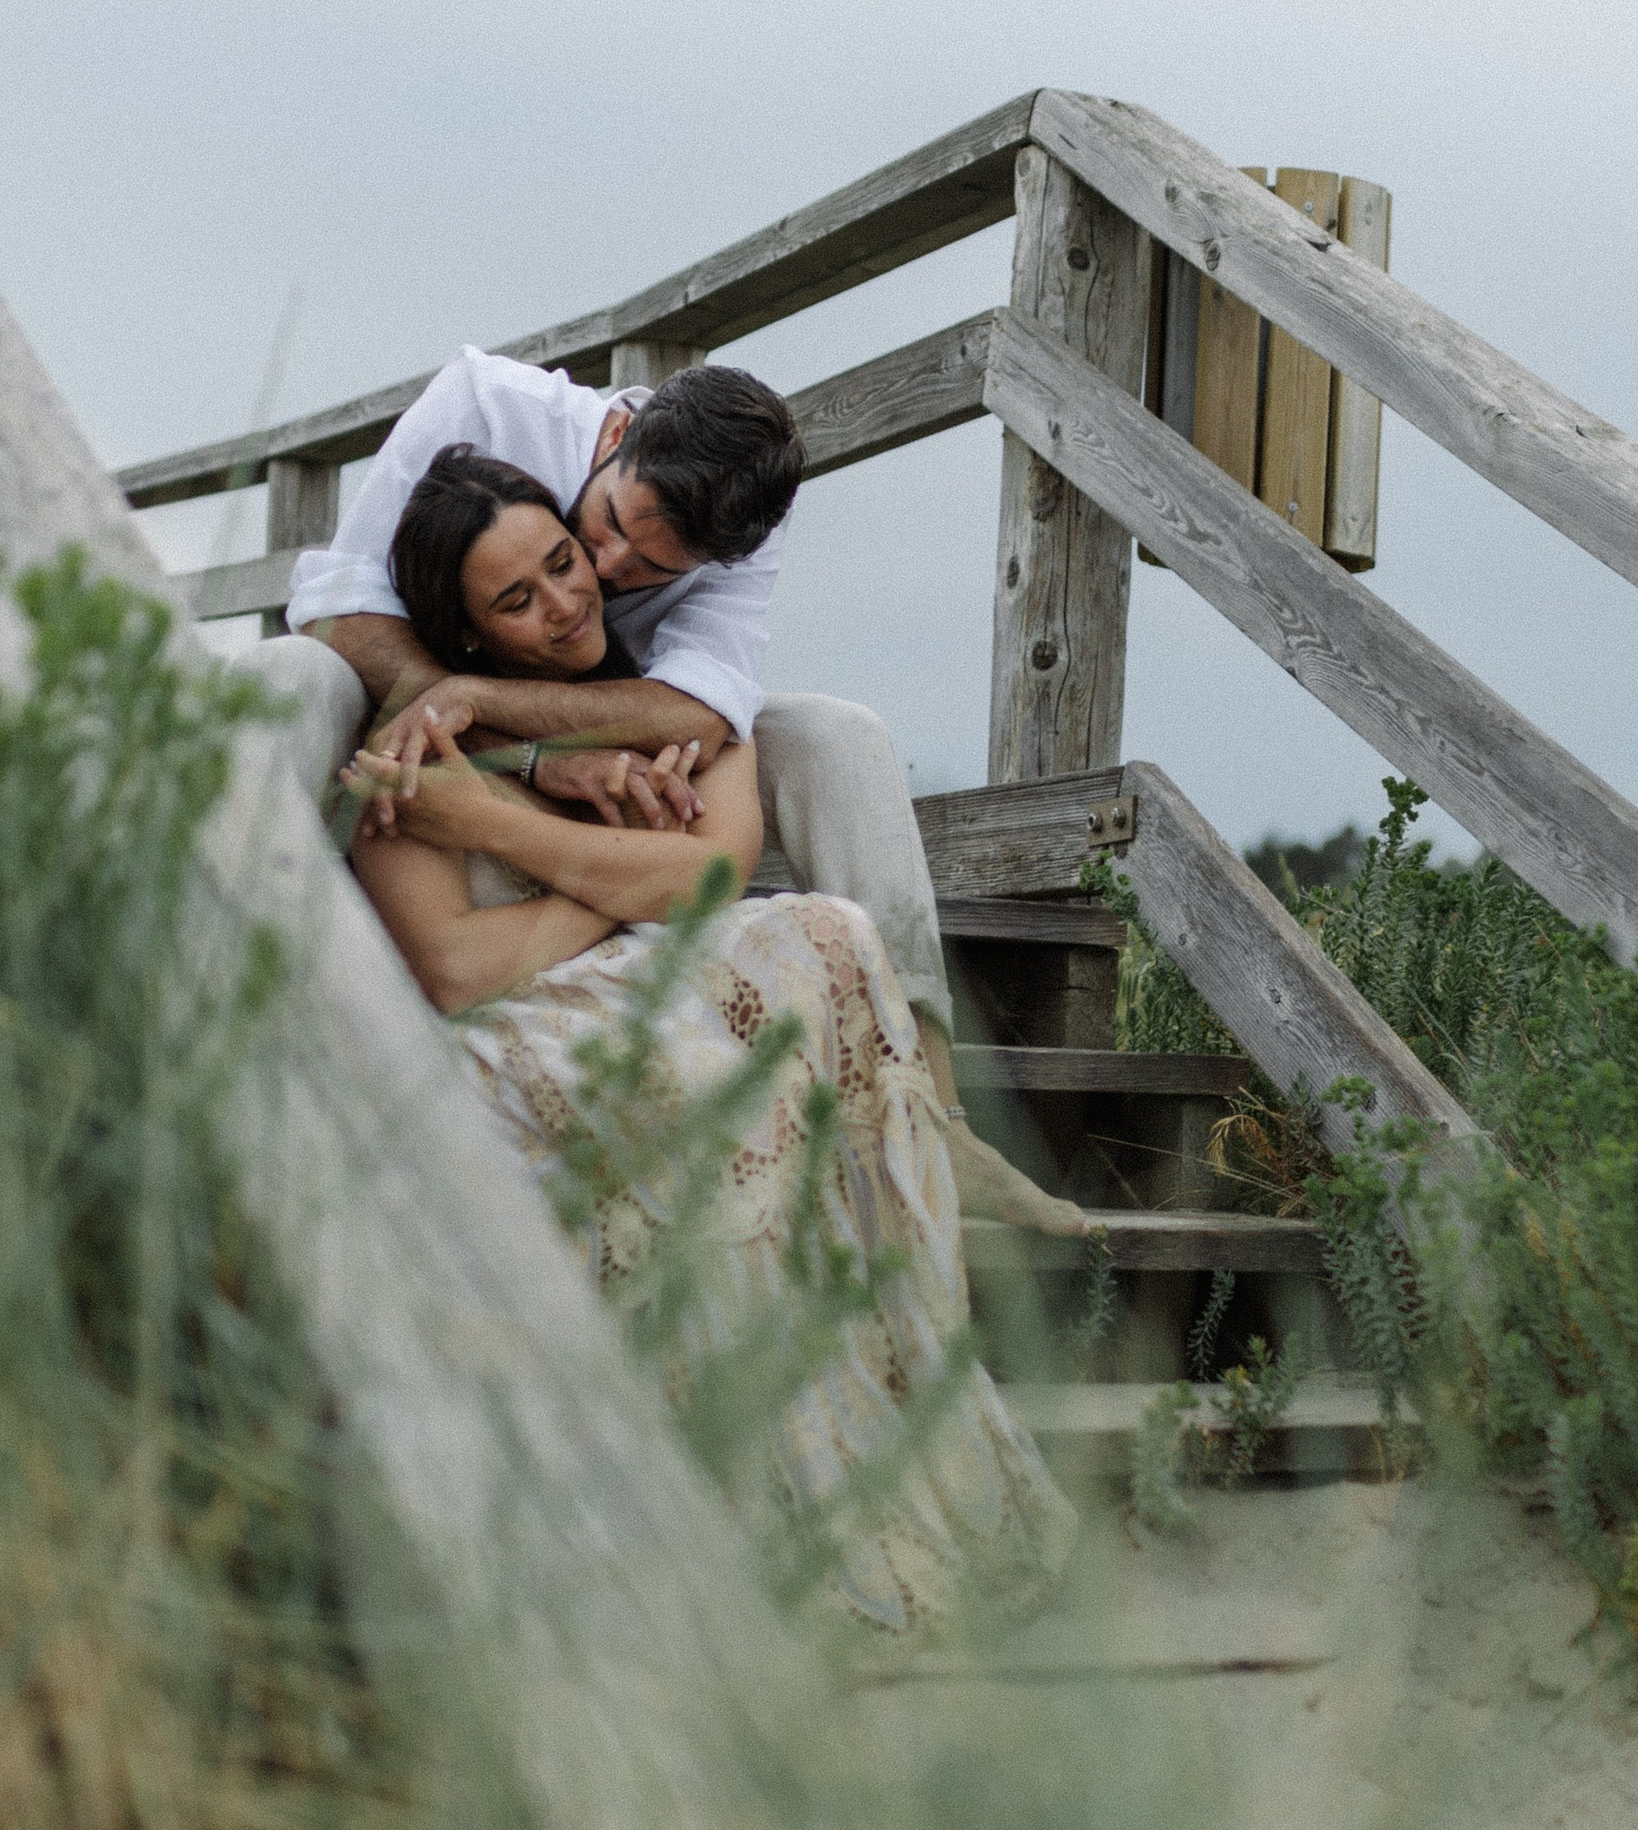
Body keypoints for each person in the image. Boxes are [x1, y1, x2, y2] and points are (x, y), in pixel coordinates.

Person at [344, 445, 1075, 1633]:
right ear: (462, 638)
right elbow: (455, 967)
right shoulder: (418, 751)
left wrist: (504, 832)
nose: (565, 602)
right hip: (510, 1038)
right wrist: (607, 869)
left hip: (641, 976)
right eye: (515, 601)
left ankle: (898, 1344)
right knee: (706, 1057)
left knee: (824, 935)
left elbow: (716, 874)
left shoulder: (685, 707)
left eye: (564, 564)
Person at [284, 343, 1086, 1236]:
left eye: (650, 569)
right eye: (608, 524)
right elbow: (335, 610)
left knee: (844, 739)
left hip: (600, 711)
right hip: (431, 704)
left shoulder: (738, 530)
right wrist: (536, 759)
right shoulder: (484, 405)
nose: (607, 569)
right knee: (304, 677)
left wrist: (495, 705)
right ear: (619, 432)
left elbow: (698, 711)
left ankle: (938, 1116)